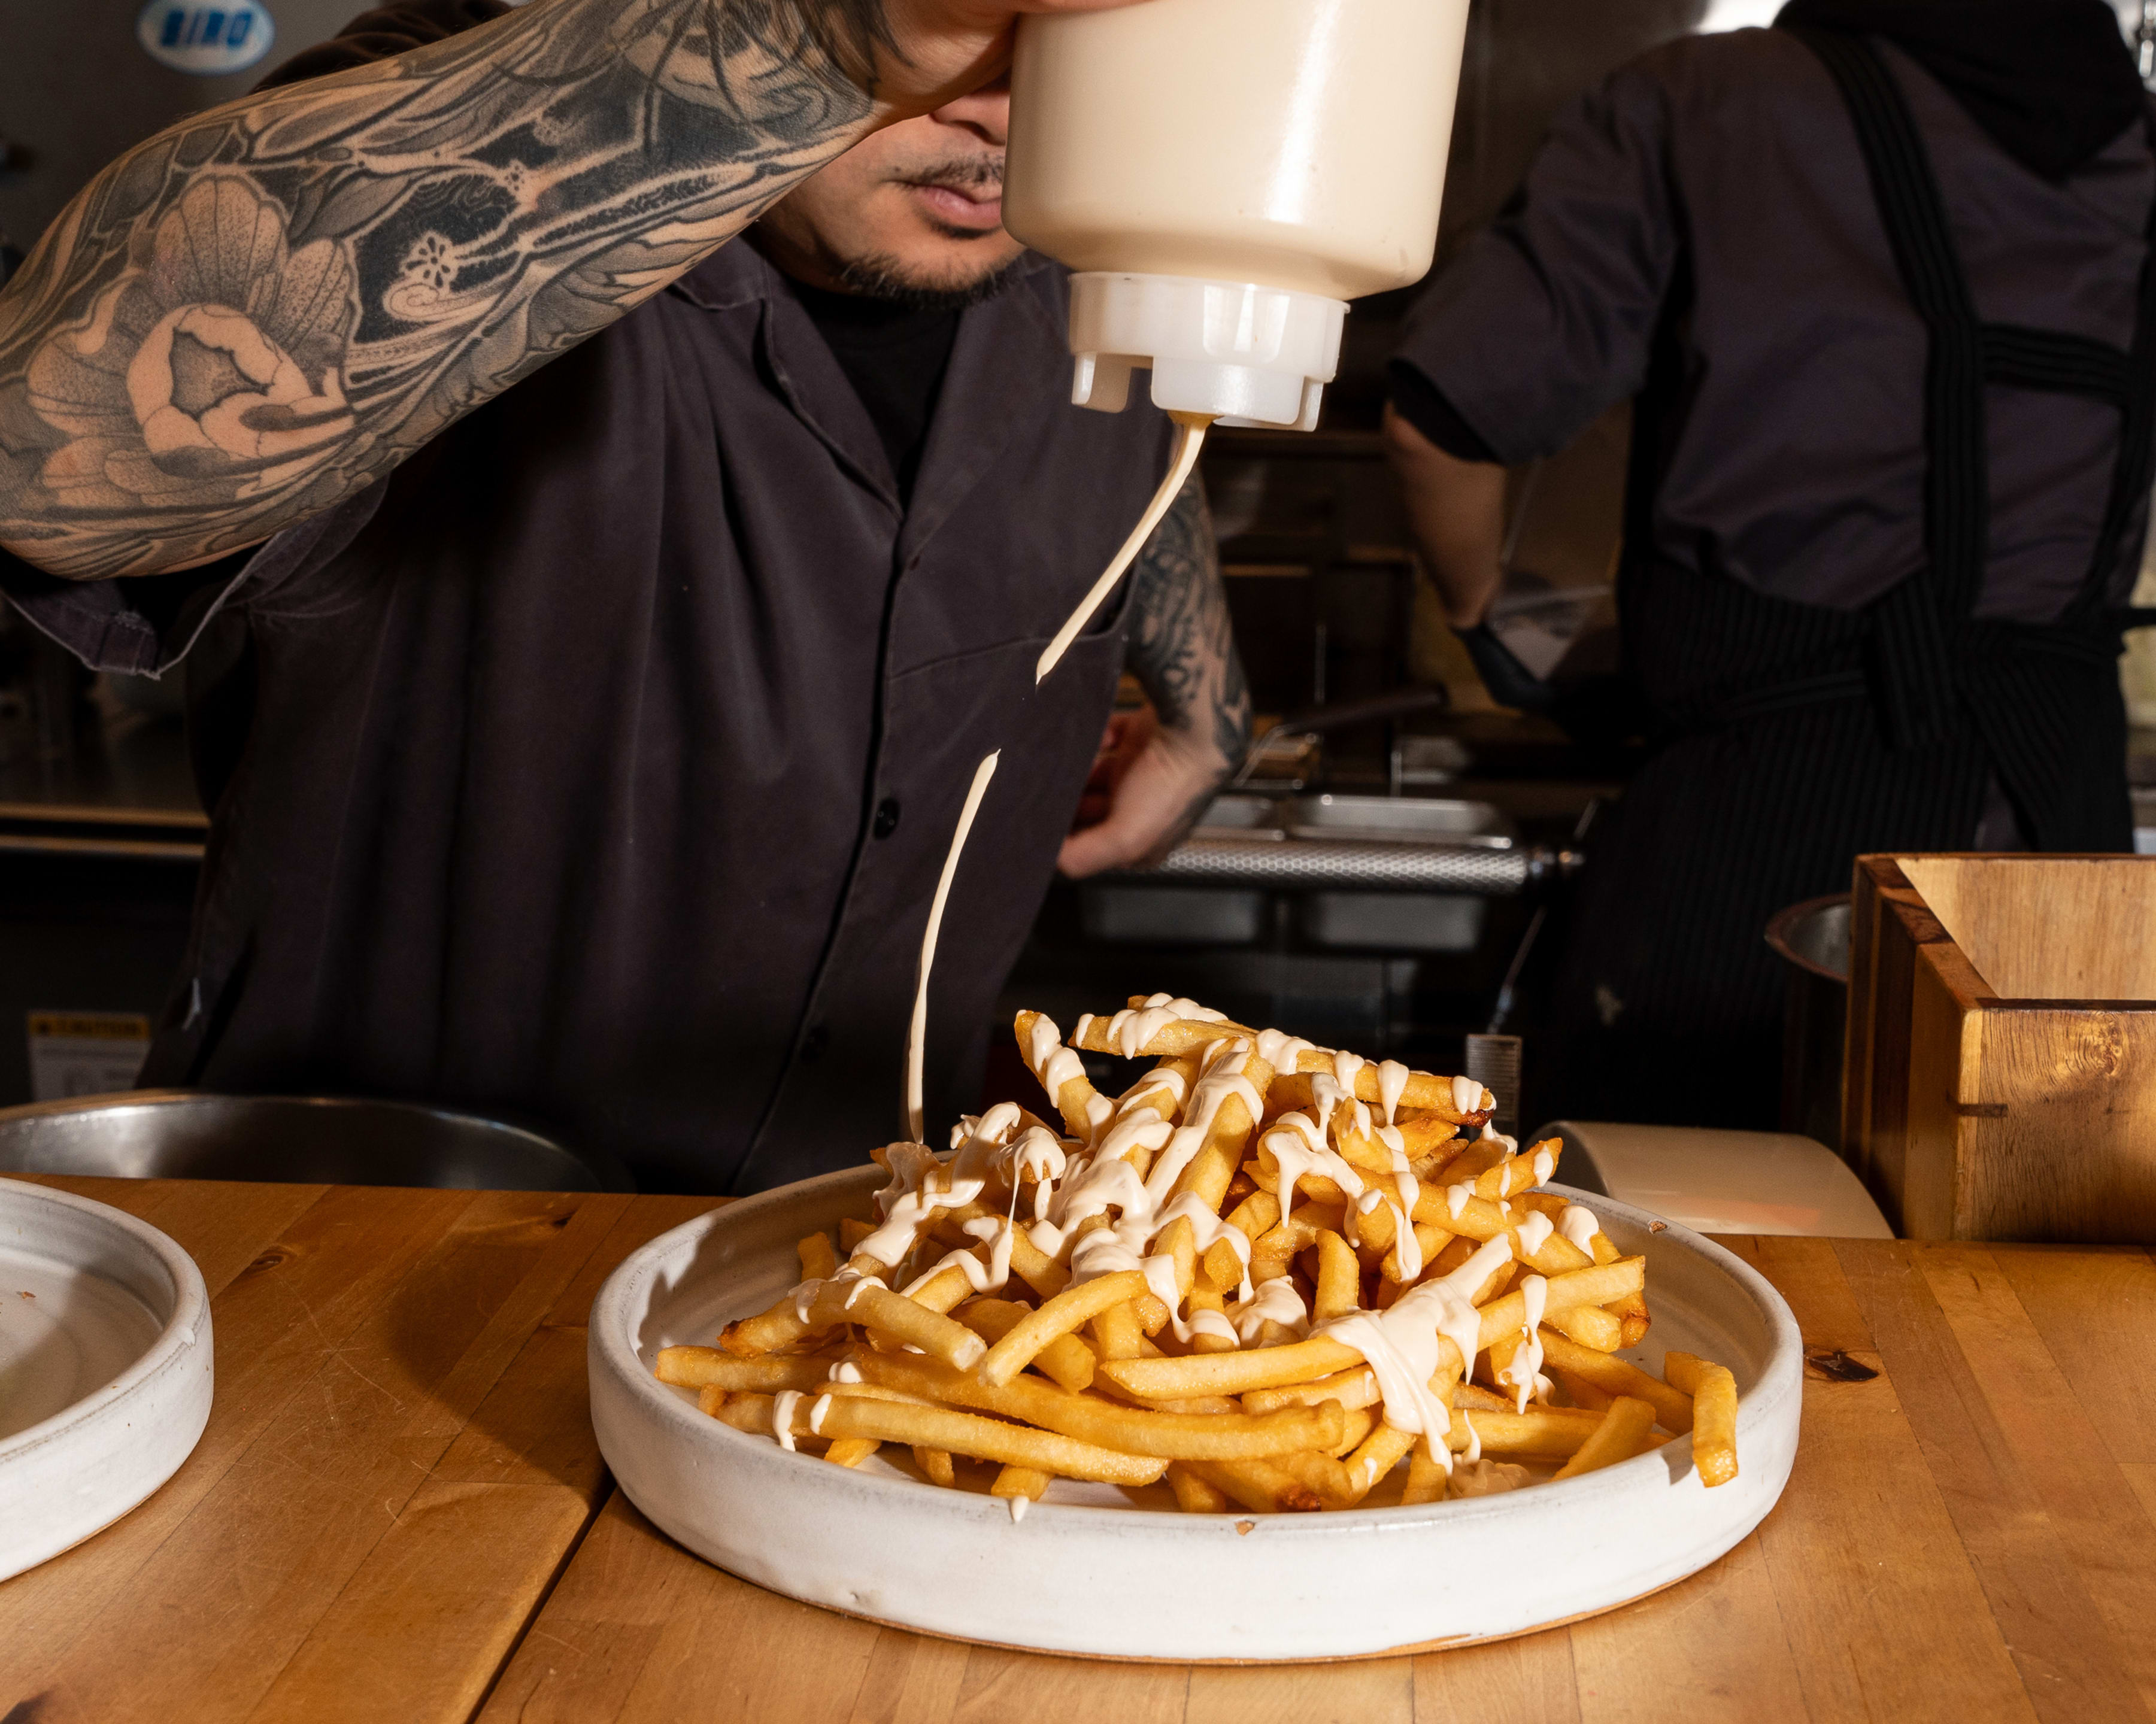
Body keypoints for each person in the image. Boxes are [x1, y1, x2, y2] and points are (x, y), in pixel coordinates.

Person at [0, 0, 1247, 1191]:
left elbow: (1143, 427)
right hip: (346, 1288)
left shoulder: (1083, 253)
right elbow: (39, 462)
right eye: (972, 22)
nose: (1004, 105)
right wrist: (835, 34)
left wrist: (1203, 694)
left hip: (840, 1310)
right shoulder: (490, 122)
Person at [1385, 0, 2156, 1129]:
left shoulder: (1707, 102)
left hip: (1763, 856)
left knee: (1679, 1271)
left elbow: (1444, 416)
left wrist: (1482, 607)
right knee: (2024, 1265)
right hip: (2063, 860)